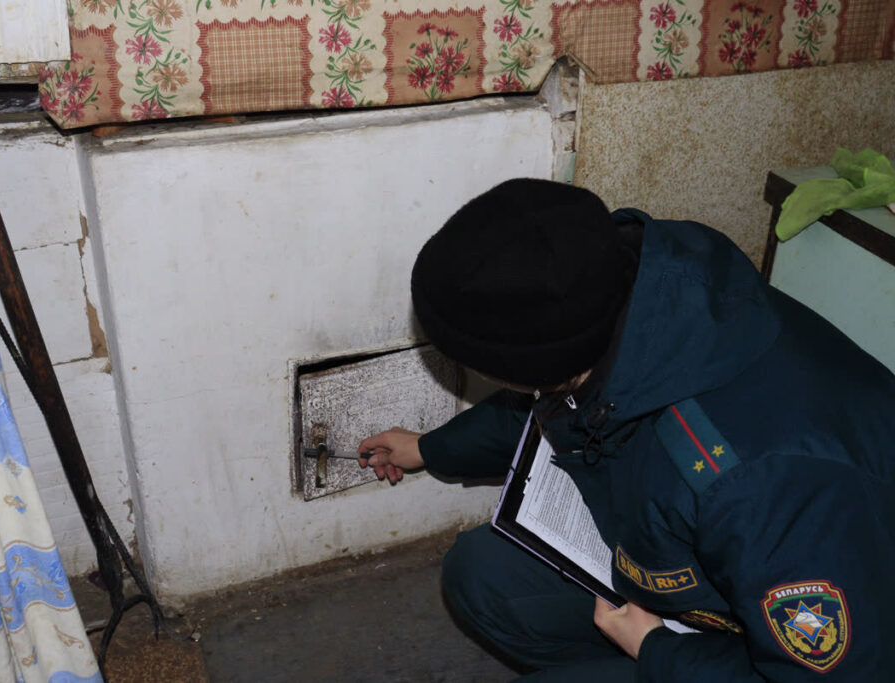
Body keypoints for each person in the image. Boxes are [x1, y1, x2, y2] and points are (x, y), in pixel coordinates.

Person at [357, 178, 895, 681]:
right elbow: (559, 402)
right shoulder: (630, 289)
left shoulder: (760, 485)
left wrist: (657, 651)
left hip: (829, 632)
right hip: (718, 565)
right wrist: (433, 448)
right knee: (482, 576)